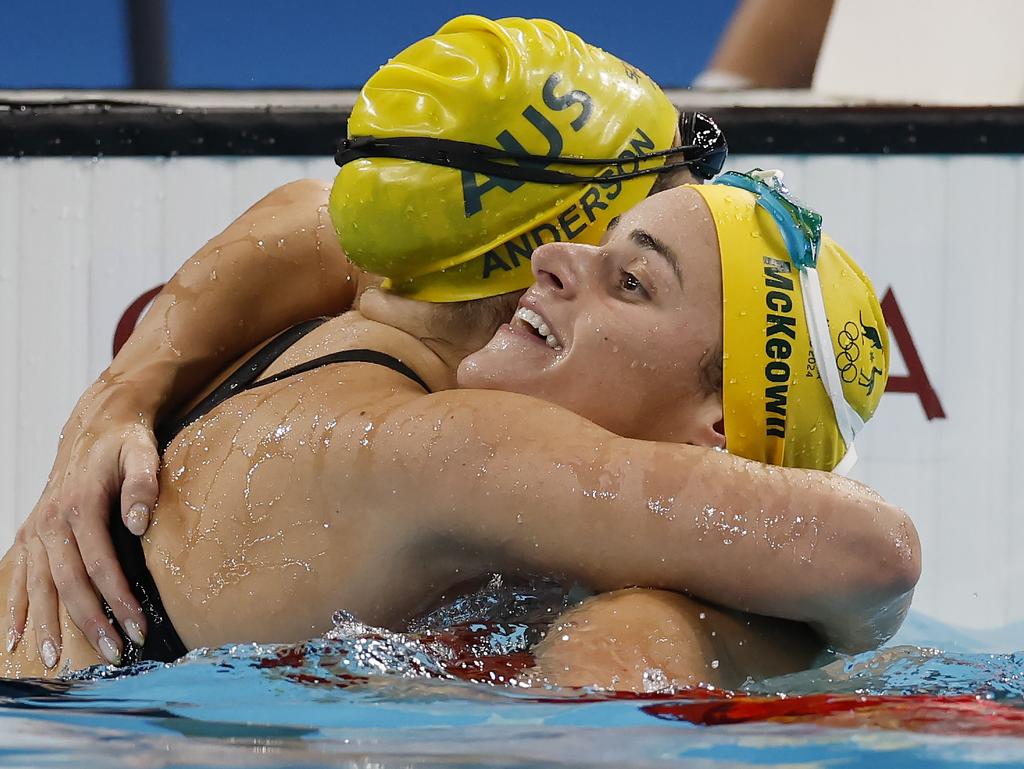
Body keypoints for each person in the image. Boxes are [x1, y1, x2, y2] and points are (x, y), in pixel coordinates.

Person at [2, 17, 917, 688]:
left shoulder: (351, 313)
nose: (568, 266)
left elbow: (307, 216)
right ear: (531, 241)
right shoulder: (450, 447)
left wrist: (118, 394)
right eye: (612, 246)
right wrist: (758, 638)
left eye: (629, 276)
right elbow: (874, 557)